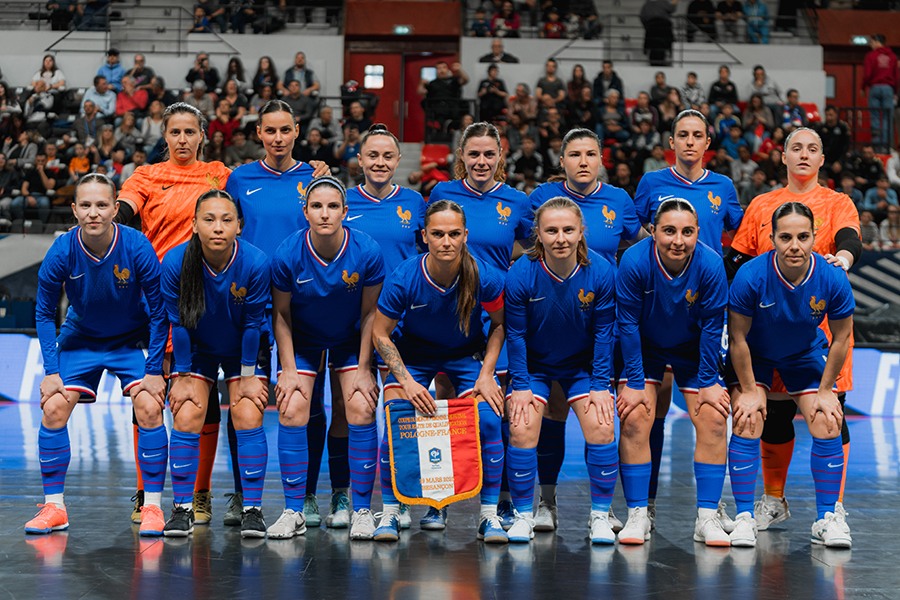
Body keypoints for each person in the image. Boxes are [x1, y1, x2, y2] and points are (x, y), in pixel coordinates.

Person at [725, 127, 861, 535]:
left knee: (830, 413)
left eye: (813, 149)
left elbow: (849, 239)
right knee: (772, 415)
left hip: (815, 332)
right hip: (766, 329)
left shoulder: (837, 202)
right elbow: (739, 262)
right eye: (796, 148)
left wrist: (843, 258)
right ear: (782, 157)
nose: (804, 154)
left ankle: (832, 509)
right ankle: (771, 500)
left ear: (822, 159)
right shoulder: (763, 204)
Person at [27, 173, 167, 536]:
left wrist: (154, 370)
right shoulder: (61, 250)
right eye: (86, 205)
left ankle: (152, 506)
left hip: (129, 340)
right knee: (54, 407)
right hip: (82, 338)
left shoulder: (136, 247)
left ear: (115, 208)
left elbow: (159, 311)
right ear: (74, 210)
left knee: (150, 406)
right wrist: (51, 370)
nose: (94, 212)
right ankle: (54, 507)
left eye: (101, 205)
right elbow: (43, 313)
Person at [117, 102, 232, 526]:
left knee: (201, 397)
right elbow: (124, 211)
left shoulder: (219, 174)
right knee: (147, 396)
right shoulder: (146, 176)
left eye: (189, 132)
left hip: (205, 302)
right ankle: (147, 493)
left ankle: (200, 494)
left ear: (202, 135)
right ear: (164, 136)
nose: (182, 139)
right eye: (175, 132)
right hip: (152, 301)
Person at [370, 200, 507, 543]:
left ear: (465, 236)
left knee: (489, 420)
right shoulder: (404, 276)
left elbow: (500, 326)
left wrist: (486, 374)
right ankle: (389, 514)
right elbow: (380, 332)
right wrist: (406, 381)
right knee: (396, 418)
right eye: (438, 234)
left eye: (454, 234)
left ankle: (488, 516)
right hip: (414, 357)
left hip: (463, 357)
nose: (446, 241)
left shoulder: (484, 276)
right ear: (424, 236)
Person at [633, 109, 743, 525]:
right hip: (657, 308)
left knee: (713, 412)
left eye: (698, 135)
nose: (691, 142)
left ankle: (712, 507)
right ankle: (647, 504)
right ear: (672, 142)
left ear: (708, 142)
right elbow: (638, 232)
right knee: (651, 408)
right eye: (683, 134)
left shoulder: (723, 186)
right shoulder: (651, 183)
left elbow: (738, 234)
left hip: (704, 312)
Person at [224, 100, 330, 527]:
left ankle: (304, 496)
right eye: (270, 131)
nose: (278, 138)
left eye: (285, 130)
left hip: (303, 308)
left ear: (297, 131)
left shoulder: (316, 178)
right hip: (247, 305)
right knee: (242, 399)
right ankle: (239, 492)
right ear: (259, 134)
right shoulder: (240, 178)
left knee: (307, 402)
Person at [269, 176, 385, 540]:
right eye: (316, 206)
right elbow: (281, 315)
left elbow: (371, 314)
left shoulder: (367, 251)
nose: (324, 213)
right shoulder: (287, 254)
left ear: (345, 212)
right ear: (305, 212)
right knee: (291, 407)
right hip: (303, 340)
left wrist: (365, 368)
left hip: (350, 338)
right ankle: (293, 510)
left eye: (333, 206)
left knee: (360, 406)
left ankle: (360, 508)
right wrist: (287, 370)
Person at [615, 198, 731, 546]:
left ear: (698, 233)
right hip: (646, 348)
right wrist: (635, 382)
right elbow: (628, 324)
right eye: (668, 231)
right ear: (653, 232)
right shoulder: (634, 261)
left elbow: (713, 327)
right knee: (635, 416)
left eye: (687, 232)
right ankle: (638, 513)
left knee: (713, 417)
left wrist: (709, 382)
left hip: (693, 351)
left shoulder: (711, 264)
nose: (677, 240)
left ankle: (706, 517)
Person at [503, 197, 618, 544]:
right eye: (551, 230)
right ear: (537, 234)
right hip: (535, 368)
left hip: (581, 368)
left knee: (601, 426)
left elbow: (603, 333)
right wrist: (520, 385)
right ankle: (527, 513)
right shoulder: (521, 272)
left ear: (582, 232)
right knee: (521, 429)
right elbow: (516, 334)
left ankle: (599, 515)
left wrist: (600, 384)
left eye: (568, 229)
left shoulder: (601, 271)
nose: (560, 238)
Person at [159, 190, 270, 537]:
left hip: (243, 348)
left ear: (239, 225)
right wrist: (182, 375)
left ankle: (252, 508)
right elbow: (178, 326)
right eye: (208, 219)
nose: (217, 227)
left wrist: (250, 375)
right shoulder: (176, 263)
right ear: (193, 225)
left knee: (247, 411)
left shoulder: (255, 262)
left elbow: (253, 325)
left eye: (226, 219)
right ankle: (182, 509)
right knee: (188, 410)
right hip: (198, 347)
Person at [862, 34, 897, 152]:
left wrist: (863, 87)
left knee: (875, 118)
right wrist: (895, 91)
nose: (870, 45)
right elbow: (896, 76)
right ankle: (887, 147)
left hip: (875, 88)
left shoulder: (871, 56)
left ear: (877, 42)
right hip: (888, 89)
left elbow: (867, 74)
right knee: (887, 118)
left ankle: (877, 147)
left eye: (871, 42)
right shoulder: (892, 57)